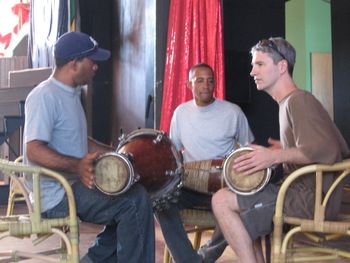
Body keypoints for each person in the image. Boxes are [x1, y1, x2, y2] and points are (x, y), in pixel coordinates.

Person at [211, 37, 350, 263]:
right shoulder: (287, 103)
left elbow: (328, 149)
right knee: (236, 200)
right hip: (303, 195)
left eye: (260, 64)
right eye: (253, 65)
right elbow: (314, 145)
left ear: (282, 66)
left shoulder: (299, 100)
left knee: (221, 201)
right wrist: (284, 149)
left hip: (311, 199)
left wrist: (275, 155)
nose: (252, 71)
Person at [23, 31, 155, 263]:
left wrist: (117, 152)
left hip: (72, 186)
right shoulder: (44, 96)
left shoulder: (71, 94)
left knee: (131, 194)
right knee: (134, 202)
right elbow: (33, 149)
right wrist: (77, 166)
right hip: (56, 196)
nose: (96, 67)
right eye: (92, 61)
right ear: (74, 63)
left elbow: (81, 140)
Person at [155, 63, 254, 262]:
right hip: (190, 187)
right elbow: (173, 154)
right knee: (160, 202)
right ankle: (188, 259)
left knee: (241, 211)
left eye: (210, 80)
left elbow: (249, 149)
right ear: (189, 85)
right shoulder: (180, 113)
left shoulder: (233, 112)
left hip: (223, 188)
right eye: (199, 80)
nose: (206, 85)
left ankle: (203, 258)